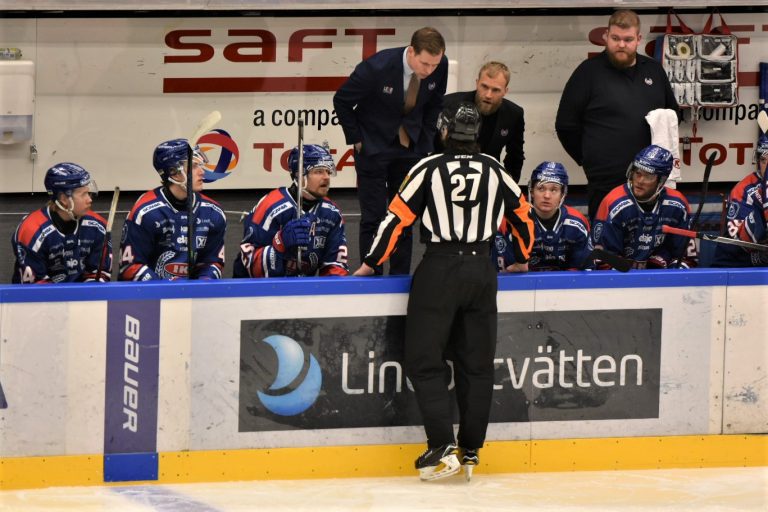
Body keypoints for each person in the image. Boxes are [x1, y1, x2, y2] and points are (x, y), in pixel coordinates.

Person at [353, 102, 534, 481]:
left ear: (446, 133)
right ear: (478, 136)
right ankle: (470, 448)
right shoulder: (497, 170)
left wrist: (371, 261)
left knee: (423, 359)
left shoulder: (428, 167)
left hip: (439, 268)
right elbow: (524, 217)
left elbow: (395, 219)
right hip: (482, 271)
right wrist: (520, 256)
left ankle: (441, 443)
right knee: (478, 364)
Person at [333, 27, 448, 275]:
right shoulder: (376, 68)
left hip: (410, 150)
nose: (429, 71)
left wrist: (426, 141)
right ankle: (371, 275)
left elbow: (436, 102)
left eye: (434, 65)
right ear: (411, 51)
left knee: (403, 218)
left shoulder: (441, 65)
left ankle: (398, 278)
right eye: (425, 64)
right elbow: (341, 100)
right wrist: (357, 139)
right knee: (373, 217)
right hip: (373, 148)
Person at [555, 9, 678, 220]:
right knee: (604, 246)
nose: (621, 45)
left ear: (638, 39)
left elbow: (671, 115)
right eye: (615, 38)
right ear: (606, 37)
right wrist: (589, 159)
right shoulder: (588, 72)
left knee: (649, 241)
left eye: (628, 39)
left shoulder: (654, 71)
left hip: (650, 180)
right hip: (605, 180)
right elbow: (565, 125)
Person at [233, 144, 348, 278]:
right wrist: (280, 244)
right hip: (259, 289)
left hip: (303, 289)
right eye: (318, 171)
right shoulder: (271, 205)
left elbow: (335, 264)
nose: (327, 177)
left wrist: (332, 293)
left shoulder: (332, 213)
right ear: (300, 175)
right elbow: (249, 261)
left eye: (328, 171)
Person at [119, 138, 226, 281]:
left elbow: (212, 262)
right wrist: (168, 290)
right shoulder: (146, 213)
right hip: (151, 297)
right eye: (194, 166)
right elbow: (130, 267)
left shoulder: (213, 213)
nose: (202, 172)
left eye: (200, 165)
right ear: (173, 172)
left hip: (192, 296)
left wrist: (202, 285)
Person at [592, 144, 696, 269]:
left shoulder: (678, 205)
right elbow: (603, 261)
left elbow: (686, 259)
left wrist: (668, 274)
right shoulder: (614, 203)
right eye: (638, 173)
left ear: (661, 181)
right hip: (622, 279)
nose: (640, 181)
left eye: (648, 176)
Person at [11, 162, 111, 283]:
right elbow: (34, 289)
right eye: (83, 194)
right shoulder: (31, 231)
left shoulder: (98, 226)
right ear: (64, 199)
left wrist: (88, 292)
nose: (90, 199)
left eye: (89, 193)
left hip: (83, 298)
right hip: (42, 299)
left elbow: (98, 275)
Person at [495, 162, 593, 271]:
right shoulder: (512, 221)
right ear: (531, 191)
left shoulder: (577, 223)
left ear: (563, 194)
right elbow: (506, 270)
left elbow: (584, 270)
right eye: (541, 189)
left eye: (554, 190)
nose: (547, 196)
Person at [440, 61, 525, 182]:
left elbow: (515, 157)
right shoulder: (449, 104)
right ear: (477, 83)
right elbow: (433, 146)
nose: (488, 95)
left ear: (505, 91)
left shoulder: (514, 114)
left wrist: (510, 187)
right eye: (484, 87)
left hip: (487, 179)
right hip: (447, 175)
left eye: (496, 90)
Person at [711, 134, 767, 267]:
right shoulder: (744, 189)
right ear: (758, 162)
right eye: (764, 160)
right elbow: (736, 239)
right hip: (735, 265)